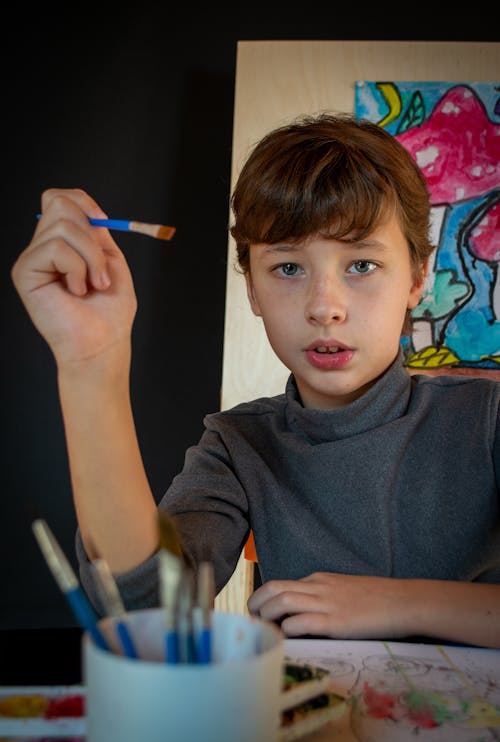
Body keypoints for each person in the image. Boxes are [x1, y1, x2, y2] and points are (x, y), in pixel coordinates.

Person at [11, 113, 500, 649]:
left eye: (361, 264)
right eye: (289, 268)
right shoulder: (237, 443)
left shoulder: (487, 417)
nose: (324, 308)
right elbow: (147, 612)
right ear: (252, 290)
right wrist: (91, 364)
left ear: (417, 278)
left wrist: (398, 603)